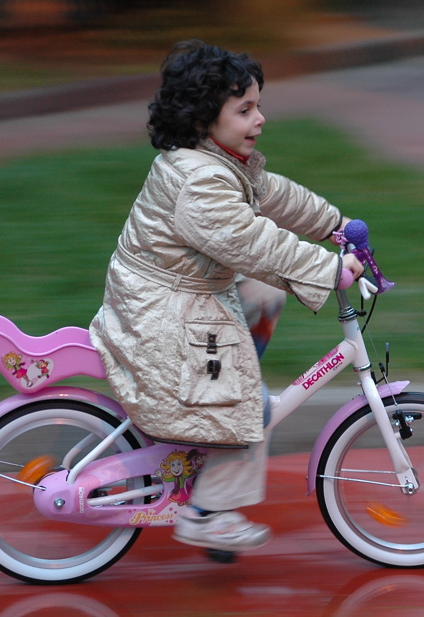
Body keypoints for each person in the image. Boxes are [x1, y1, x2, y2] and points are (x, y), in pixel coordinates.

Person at [89, 40, 364, 553]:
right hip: (163, 312)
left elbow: (274, 195)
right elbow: (253, 241)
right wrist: (328, 268)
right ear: (202, 120)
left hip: (169, 293)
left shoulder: (218, 162)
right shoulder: (201, 184)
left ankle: (206, 416)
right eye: (245, 109)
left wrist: (336, 225)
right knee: (247, 406)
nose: (260, 117)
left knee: (263, 293)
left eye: (257, 104)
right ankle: (208, 512)